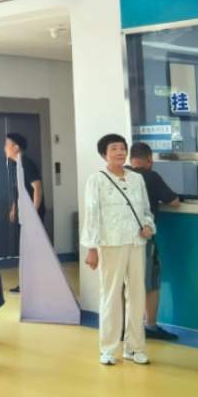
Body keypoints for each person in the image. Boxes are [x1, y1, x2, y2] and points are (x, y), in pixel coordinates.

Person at [81, 134, 155, 366]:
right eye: (114, 149)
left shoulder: (136, 178)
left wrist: (148, 226)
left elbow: (146, 210)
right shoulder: (97, 180)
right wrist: (91, 248)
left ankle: (135, 347)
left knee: (137, 294)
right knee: (111, 294)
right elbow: (92, 214)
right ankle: (109, 348)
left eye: (122, 148)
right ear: (104, 154)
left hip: (136, 241)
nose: (120, 152)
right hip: (110, 242)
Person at [126, 142, 181, 340]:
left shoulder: (120, 174)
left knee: (125, 283)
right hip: (143, 238)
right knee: (150, 283)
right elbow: (174, 202)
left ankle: (123, 327)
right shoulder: (150, 176)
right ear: (149, 158)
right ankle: (150, 327)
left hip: (120, 239)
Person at [5, 132, 45, 295]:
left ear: (15, 148)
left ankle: (32, 284)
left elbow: (37, 188)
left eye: (7, 145)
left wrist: (33, 213)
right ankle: (27, 283)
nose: (4, 148)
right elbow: (20, 190)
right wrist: (15, 207)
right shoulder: (17, 165)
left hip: (30, 216)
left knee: (31, 250)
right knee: (25, 249)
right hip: (23, 214)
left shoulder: (26, 163)